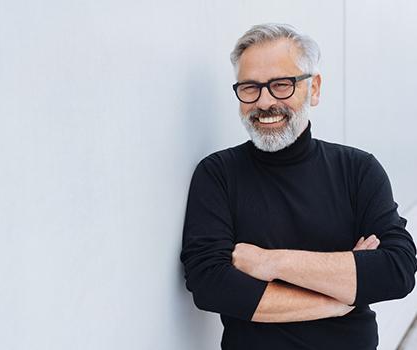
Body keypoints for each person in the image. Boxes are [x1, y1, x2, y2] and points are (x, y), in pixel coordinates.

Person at [179, 23, 417, 350]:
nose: (264, 102)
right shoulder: (218, 174)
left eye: (281, 85)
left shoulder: (358, 170)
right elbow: (211, 284)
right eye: (250, 87)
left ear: (314, 88)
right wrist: (338, 297)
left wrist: (270, 263)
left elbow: (397, 269)